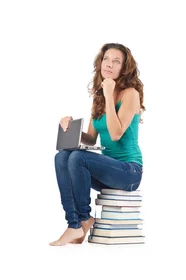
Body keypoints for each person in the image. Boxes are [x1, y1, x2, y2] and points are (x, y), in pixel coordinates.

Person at [50, 43, 145, 246]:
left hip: (129, 172)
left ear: (124, 68)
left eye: (116, 61)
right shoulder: (99, 97)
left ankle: (83, 219)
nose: (109, 64)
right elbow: (91, 138)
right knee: (62, 156)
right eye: (106, 59)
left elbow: (116, 133)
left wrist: (110, 96)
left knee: (78, 157)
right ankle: (74, 223)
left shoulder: (130, 94)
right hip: (107, 170)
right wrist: (70, 127)